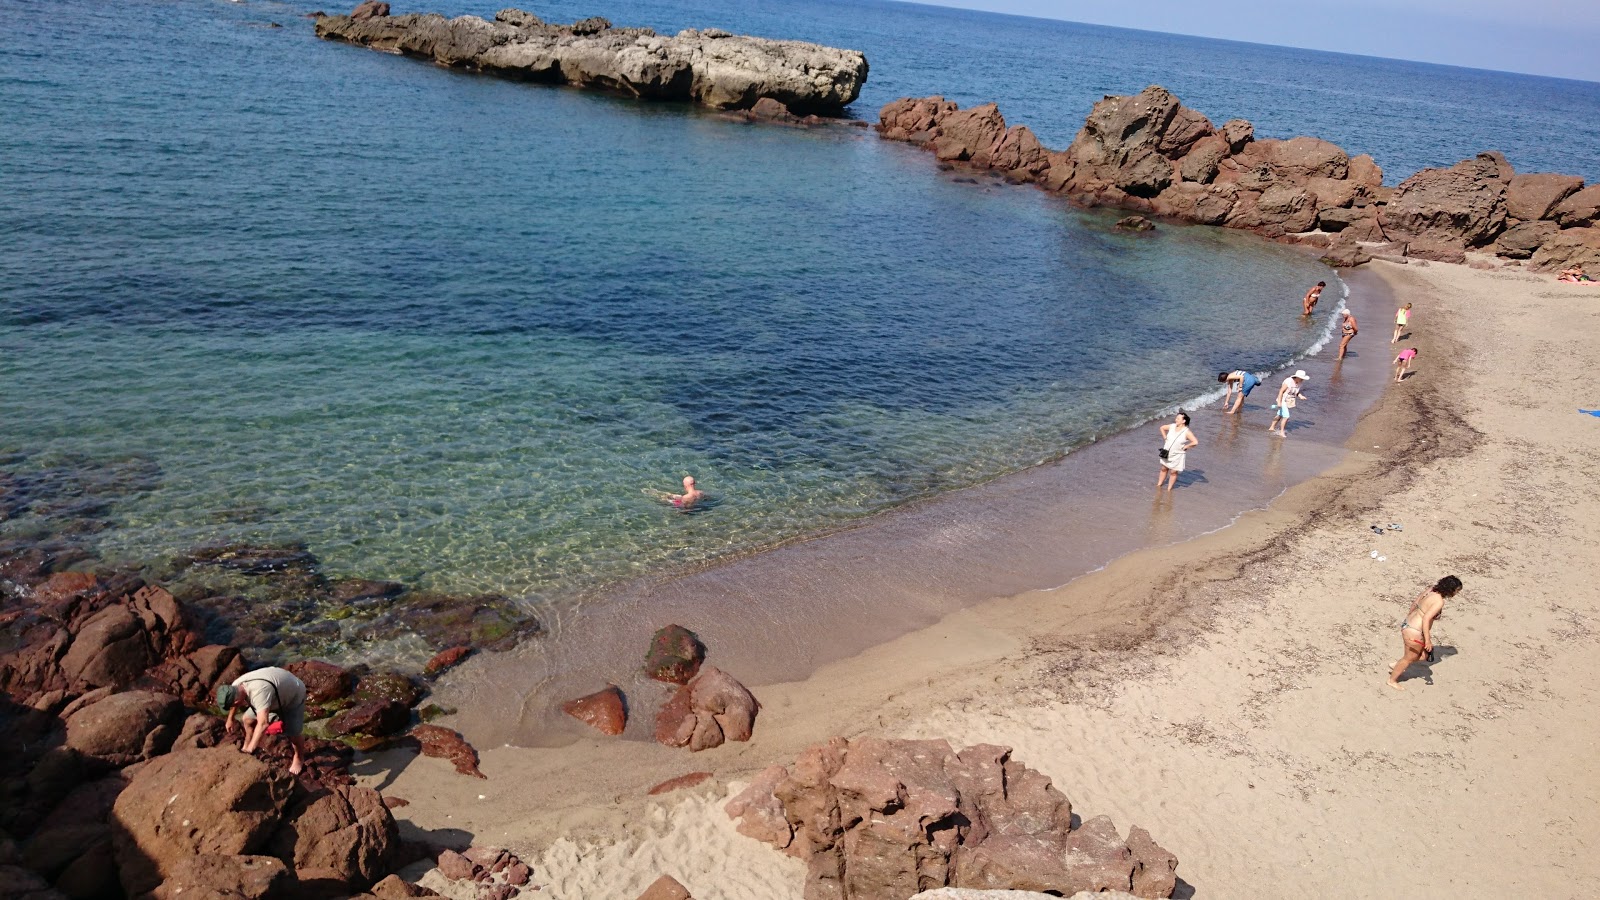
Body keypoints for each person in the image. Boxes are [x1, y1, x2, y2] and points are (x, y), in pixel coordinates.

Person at [217, 667, 308, 775]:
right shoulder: (235, 686)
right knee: (247, 719)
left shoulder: (259, 692)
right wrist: (230, 719)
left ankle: (299, 757)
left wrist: (252, 749)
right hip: (273, 695)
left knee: (293, 733)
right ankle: (247, 744)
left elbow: (263, 723)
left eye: (234, 704)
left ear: (237, 701)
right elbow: (234, 704)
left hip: (293, 696)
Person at [1388, 575, 1463, 690]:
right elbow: (1426, 619)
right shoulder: (1439, 602)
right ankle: (1392, 680)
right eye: (1457, 591)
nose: (1456, 593)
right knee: (1409, 658)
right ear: (1450, 589)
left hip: (1408, 624)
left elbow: (1415, 602)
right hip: (1415, 631)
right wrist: (1428, 640)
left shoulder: (1431, 590)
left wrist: (1409, 616)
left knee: (1424, 655)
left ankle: (1397, 665)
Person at [1156, 411, 1198, 491]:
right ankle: (1159, 484)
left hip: (1178, 455)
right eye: (1176, 418)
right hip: (1167, 452)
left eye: (1178, 418)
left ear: (1183, 421)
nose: (1176, 420)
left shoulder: (1186, 432)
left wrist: (1187, 446)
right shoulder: (1172, 426)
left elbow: (1195, 442)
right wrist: (1165, 437)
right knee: (1164, 468)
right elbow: (1162, 428)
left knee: (1173, 472)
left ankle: (1169, 489)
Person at [1268, 370, 1310, 436]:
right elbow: (1281, 391)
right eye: (1301, 378)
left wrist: (1300, 396)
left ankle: (1271, 427)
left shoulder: (1299, 383)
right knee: (1286, 416)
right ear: (1297, 377)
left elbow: (1296, 392)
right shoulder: (1288, 381)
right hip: (1282, 400)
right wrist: (1279, 402)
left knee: (1280, 415)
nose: (1302, 380)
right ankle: (1282, 432)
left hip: (1289, 400)